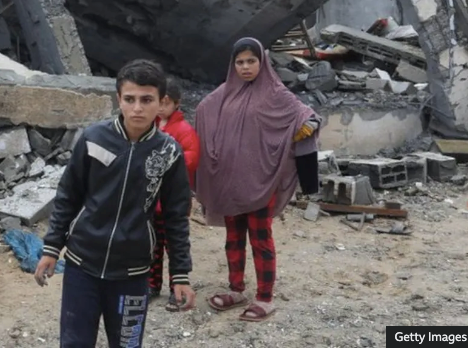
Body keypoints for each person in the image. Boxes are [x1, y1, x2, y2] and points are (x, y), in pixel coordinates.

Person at [35, 59, 196, 348]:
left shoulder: (169, 152)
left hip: (132, 273)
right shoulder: (94, 138)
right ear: (118, 99)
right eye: (130, 99)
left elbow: (176, 216)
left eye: (147, 99)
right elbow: (68, 195)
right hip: (82, 265)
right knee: (74, 344)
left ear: (161, 102)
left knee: (127, 345)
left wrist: (180, 274)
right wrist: (52, 248)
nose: (137, 108)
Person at [194, 37, 320, 323]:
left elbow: (307, 116)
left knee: (260, 238)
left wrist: (305, 127)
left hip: (262, 181)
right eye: (240, 62)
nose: (245, 67)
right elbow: (203, 110)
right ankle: (236, 289)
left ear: (262, 63)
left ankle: (265, 297)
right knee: (233, 238)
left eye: (251, 61)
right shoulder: (225, 92)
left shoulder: (276, 93)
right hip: (230, 180)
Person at [150, 80, 201, 306]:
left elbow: (191, 158)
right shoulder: (150, 127)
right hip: (152, 200)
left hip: (173, 199)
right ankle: (152, 284)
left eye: (166, 103)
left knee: (174, 244)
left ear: (176, 104)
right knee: (152, 245)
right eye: (158, 102)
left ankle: (176, 287)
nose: (161, 108)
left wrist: (164, 165)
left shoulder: (184, 130)